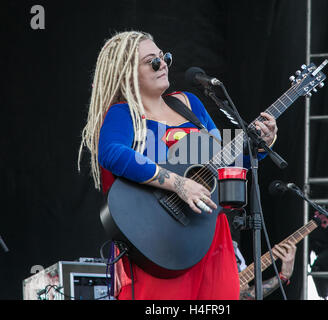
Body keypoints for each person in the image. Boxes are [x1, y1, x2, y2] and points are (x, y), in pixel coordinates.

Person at [78, 30, 278, 300]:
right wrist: (179, 184)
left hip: (207, 235)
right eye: (153, 62)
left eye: (164, 58)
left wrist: (260, 146)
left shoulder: (189, 104)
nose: (163, 66)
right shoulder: (123, 113)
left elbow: (224, 167)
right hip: (157, 240)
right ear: (127, 73)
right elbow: (112, 154)